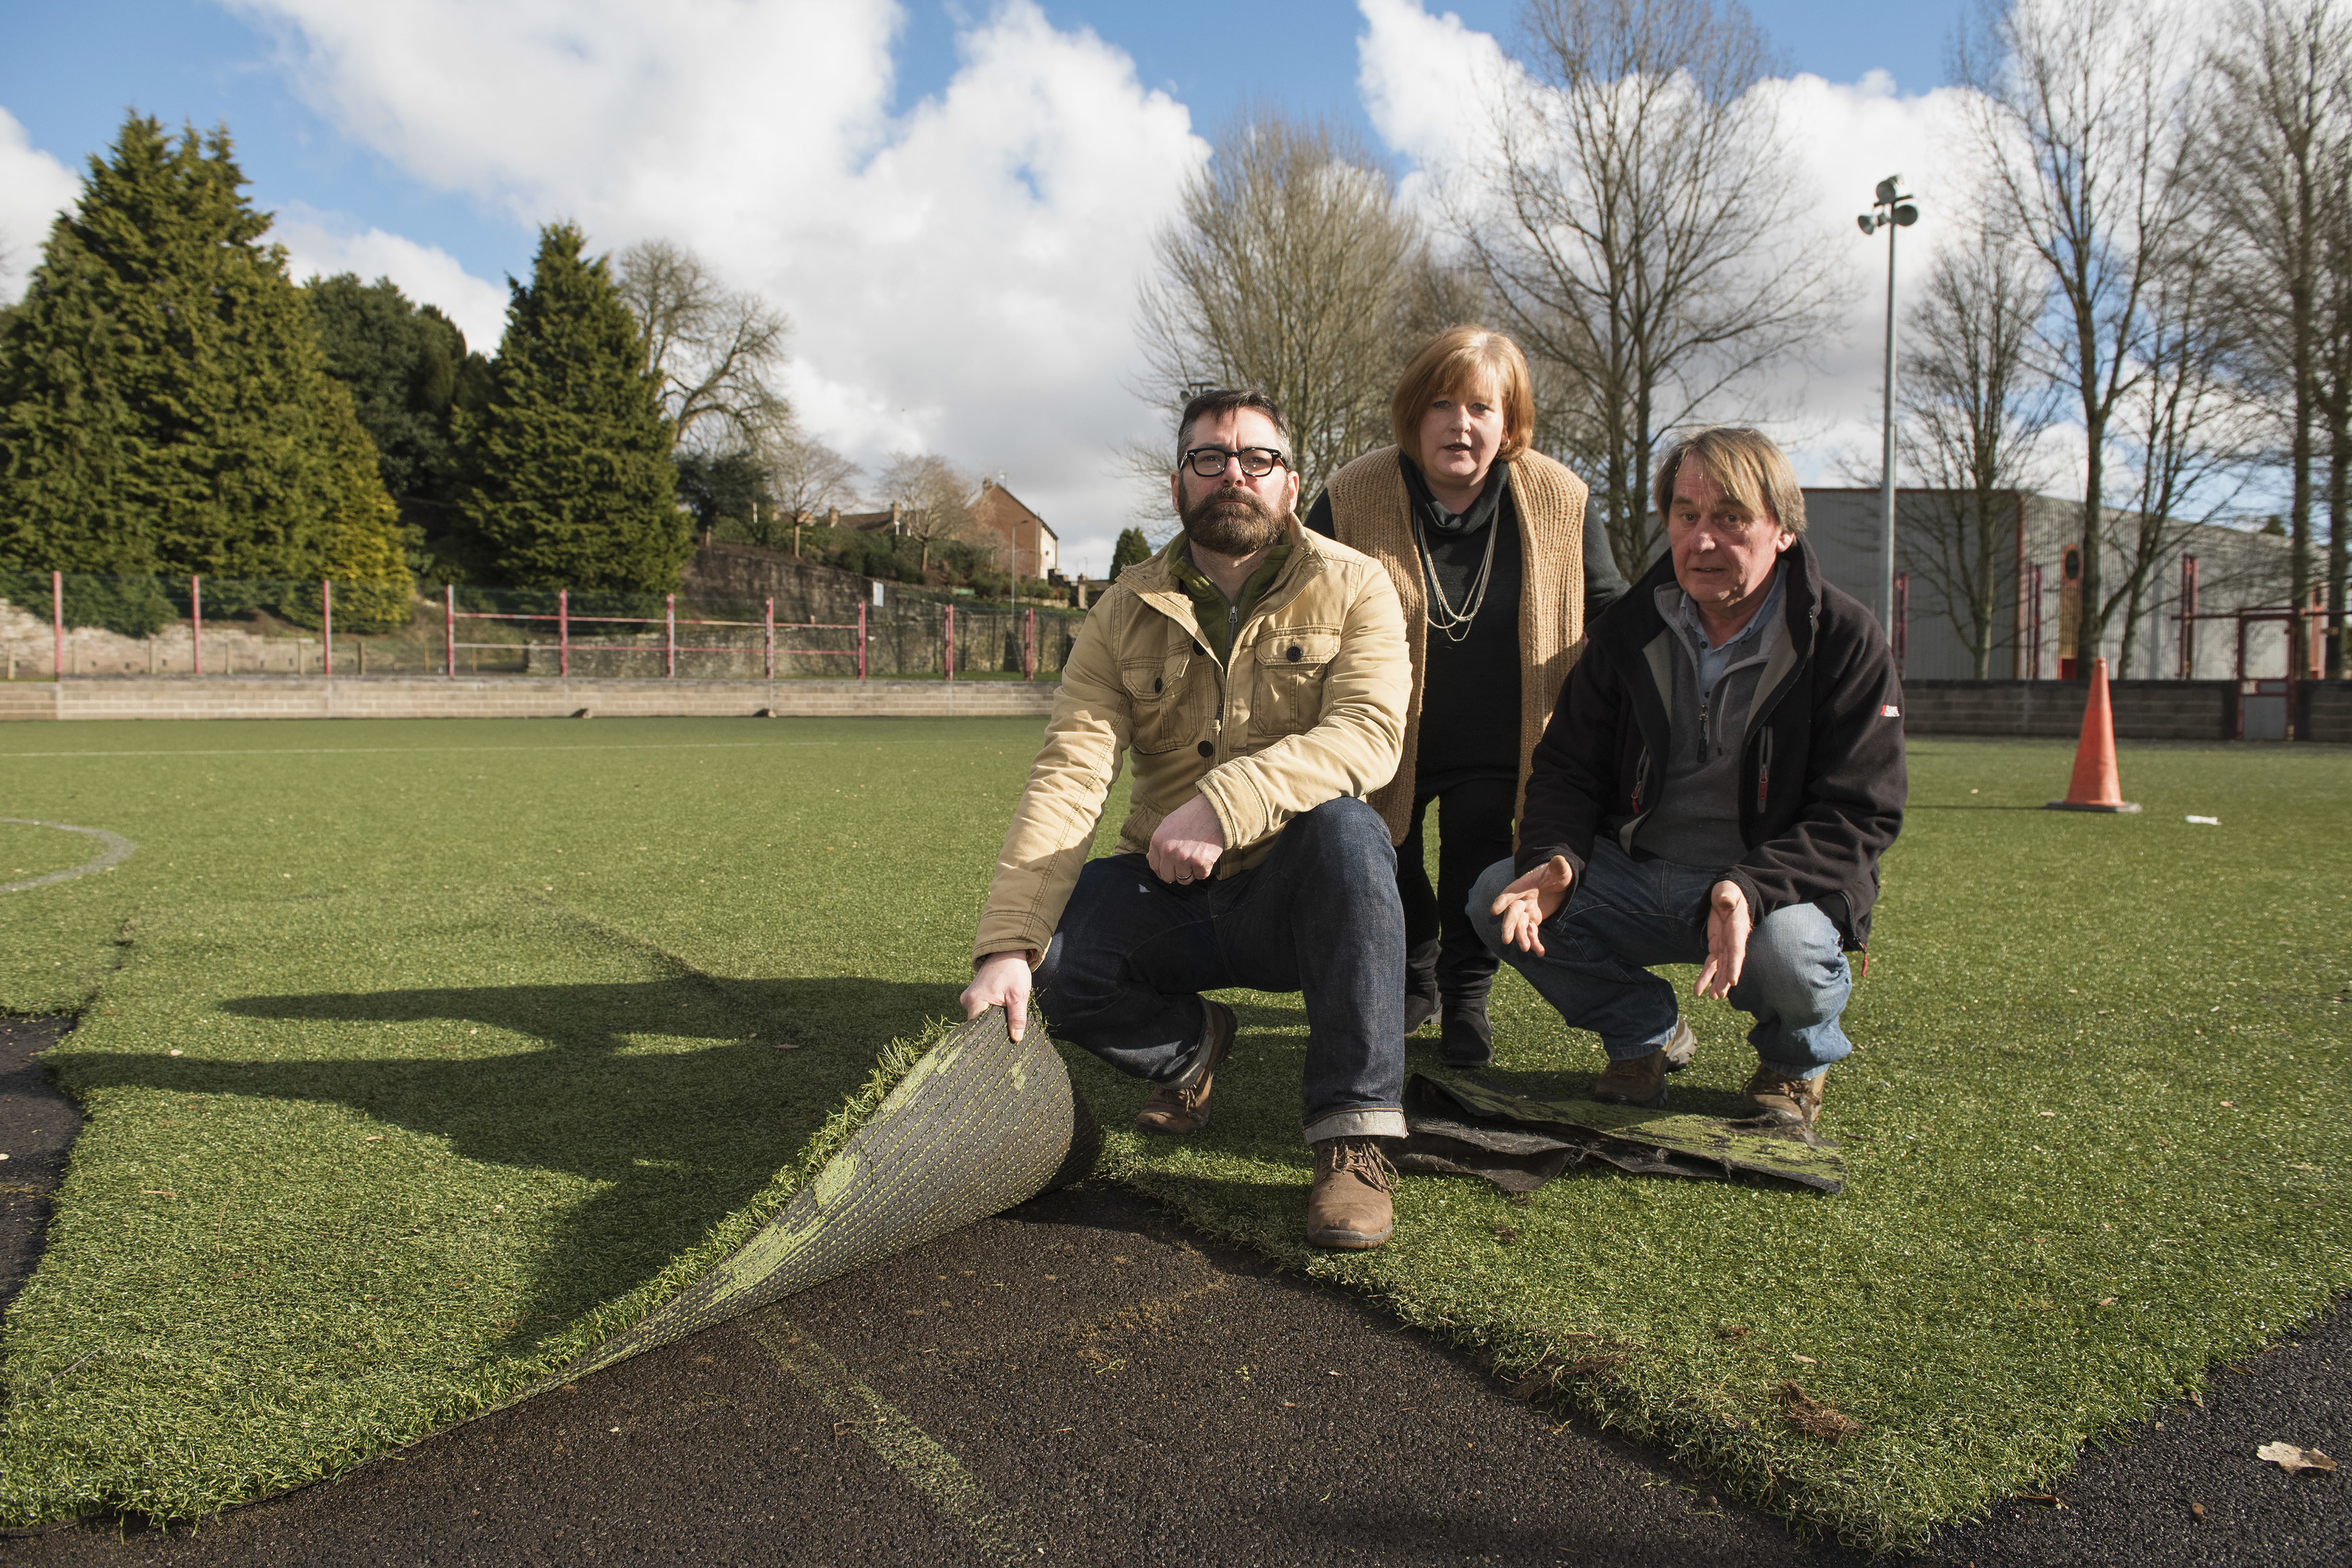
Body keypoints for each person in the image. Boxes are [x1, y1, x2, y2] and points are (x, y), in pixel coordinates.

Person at [958, 389, 1414, 1249]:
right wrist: (1005, 949)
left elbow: (1368, 735)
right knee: (1050, 958)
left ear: (1290, 484)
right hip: (1175, 892)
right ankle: (1189, 1048)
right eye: (1209, 459)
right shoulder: (1123, 608)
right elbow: (1071, 772)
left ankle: (1353, 1141)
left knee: (1352, 833)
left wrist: (1223, 803)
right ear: (1178, 486)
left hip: (1301, 890)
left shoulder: (1358, 585)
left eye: (1257, 459)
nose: (1232, 475)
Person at [1470, 426, 1905, 1129]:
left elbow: (1863, 810)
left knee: (1792, 956)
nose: (1703, 541)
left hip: (1767, 888)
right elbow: (1566, 768)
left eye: (1731, 518)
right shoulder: (1626, 632)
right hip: (1636, 873)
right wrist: (1555, 859)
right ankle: (1646, 1035)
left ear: (1783, 531)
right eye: (1686, 515)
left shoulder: (1845, 639)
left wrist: (1749, 888)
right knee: (1496, 895)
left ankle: (1793, 1062)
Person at [1307, 327, 1627, 1068]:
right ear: (1413, 414)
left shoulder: (1560, 496)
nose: (1461, 423)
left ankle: (1466, 998)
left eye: (1483, 407)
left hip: (1508, 731)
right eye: (1442, 404)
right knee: (1387, 855)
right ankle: (1418, 969)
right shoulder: (1352, 493)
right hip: (1382, 731)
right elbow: (1302, 601)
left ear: (1509, 423)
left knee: (1480, 849)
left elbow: (1609, 607)